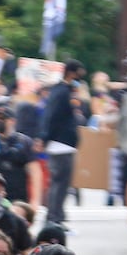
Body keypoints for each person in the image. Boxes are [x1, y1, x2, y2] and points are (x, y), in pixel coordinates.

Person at [41, 60, 87, 227]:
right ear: (71, 73)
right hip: (60, 143)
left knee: (61, 183)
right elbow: (51, 116)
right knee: (59, 183)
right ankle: (54, 217)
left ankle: (57, 214)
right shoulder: (61, 92)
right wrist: (44, 137)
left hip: (64, 142)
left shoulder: (66, 92)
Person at [0, 108, 39, 204]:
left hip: (19, 198)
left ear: (12, 121)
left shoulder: (24, 142)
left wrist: (35, 201)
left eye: (2, 118)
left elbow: (35, 172)